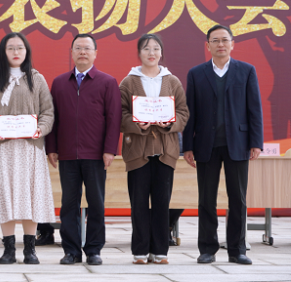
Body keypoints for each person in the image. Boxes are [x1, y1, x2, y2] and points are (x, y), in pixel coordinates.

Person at [183, 24, 263, 265]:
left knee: (238, 198)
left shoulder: (246, 71)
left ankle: (237, 250)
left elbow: (254, 109)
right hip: (205, 144)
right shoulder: (196, 73)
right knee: (206, 199)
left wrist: (256, 142)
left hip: (238, 143)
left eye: (224, 40)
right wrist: (187, 145)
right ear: (207, 45)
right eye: (215, 40)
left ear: (232, 44)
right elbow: (190, 112)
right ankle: (207, 248)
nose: (220, 44)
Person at [0, 32, 55, 264]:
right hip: (2, 149)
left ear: (26, 51)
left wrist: (40, 129)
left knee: (31, 197)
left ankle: (30, 249)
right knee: (6, 197)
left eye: (20, 48)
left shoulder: (36, 79)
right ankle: (9, 249)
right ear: (3, 52)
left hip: (30, 148)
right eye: (10, 48)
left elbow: (48, 111)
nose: (15, 52)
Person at [46, 34, 121, 266]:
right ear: (71, 52)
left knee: (96, 202)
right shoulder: (59, 82)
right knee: (69, 203)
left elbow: (114, 118)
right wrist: (52, 147)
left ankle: (94, 250)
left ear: (95, 53)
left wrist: (109, 149)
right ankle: (71, 250)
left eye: (87, 48)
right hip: (67, 153)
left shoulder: (107, 81)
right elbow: (53, 117)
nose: (82, 52)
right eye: (78, 48)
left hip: (96, 154)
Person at [119, 33, 189, 264]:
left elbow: (183, 112)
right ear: (139, 53)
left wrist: (170, 123)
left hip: (165, 151)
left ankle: (160, 251)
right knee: (138, 203)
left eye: (156, 48)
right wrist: (136, 123)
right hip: (137, 151)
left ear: (161, 53)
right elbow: (119, 113)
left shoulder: (172, 81)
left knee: (162, 203)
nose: (151, 53)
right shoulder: (128, 82)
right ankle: (140, 251)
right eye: (146, 48)